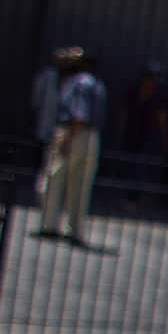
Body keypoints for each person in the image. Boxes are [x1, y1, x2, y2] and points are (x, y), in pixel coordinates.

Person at [37, 48, 106, 247]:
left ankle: (49, 225)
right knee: (81, 184)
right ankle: (74, 229)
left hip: (72, 132)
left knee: (55, 177)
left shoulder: (78, 83)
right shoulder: (97, 85)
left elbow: (79, 115)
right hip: (91, 137)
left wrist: (68, 139)